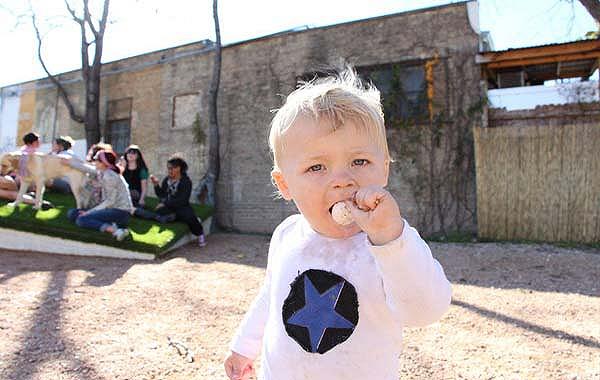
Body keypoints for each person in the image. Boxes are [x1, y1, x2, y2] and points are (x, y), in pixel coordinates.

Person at [223, 68, 452, 380]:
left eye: (359, 161)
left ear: (384, 169)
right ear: (284, 184)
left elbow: (426, 310)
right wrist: (243, 346)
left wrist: (390, 240)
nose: (343, 181)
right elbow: (271, 297)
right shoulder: (286, 235)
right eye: (317, 166)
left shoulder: (392, 246)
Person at [133, 155, 206, 247]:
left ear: (178, 168)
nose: (169, 171)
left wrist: (165, 203)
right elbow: (162, 195)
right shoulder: (166, 180)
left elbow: (182, 200)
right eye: (168, 168)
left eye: (171, 168)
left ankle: (200, 234)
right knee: (160, 211)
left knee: (189, 217)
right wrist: (156, 185)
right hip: (170, 207)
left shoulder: (186, 182)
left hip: (182, 206)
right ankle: (175, 217)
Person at [64, 150, 133, 241]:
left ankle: (116, 230)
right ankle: (111, 223)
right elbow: (85, 168)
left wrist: (89, 212)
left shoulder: (110, 177)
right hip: (108, 209)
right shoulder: (102, 172)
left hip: (120, 212)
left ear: (104, 163)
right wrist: (70, 163)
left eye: (97, 159)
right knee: (72, 213)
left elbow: (110, 202)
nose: (94, 161)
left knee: (81, 220)